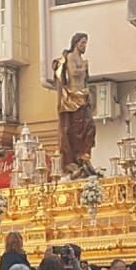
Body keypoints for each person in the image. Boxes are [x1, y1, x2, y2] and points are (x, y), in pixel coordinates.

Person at [49, 32, 96, 176]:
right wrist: (84, 67)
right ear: (76, 43)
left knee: (89, 125)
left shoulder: (81, 58)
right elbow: (73, 73)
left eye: (85, 43)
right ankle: (74, 159)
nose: (84, 46)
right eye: (82, 43)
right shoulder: (71, 57)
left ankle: (84, 155)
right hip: (74, 97)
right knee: (75, 129)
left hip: (83, 96)